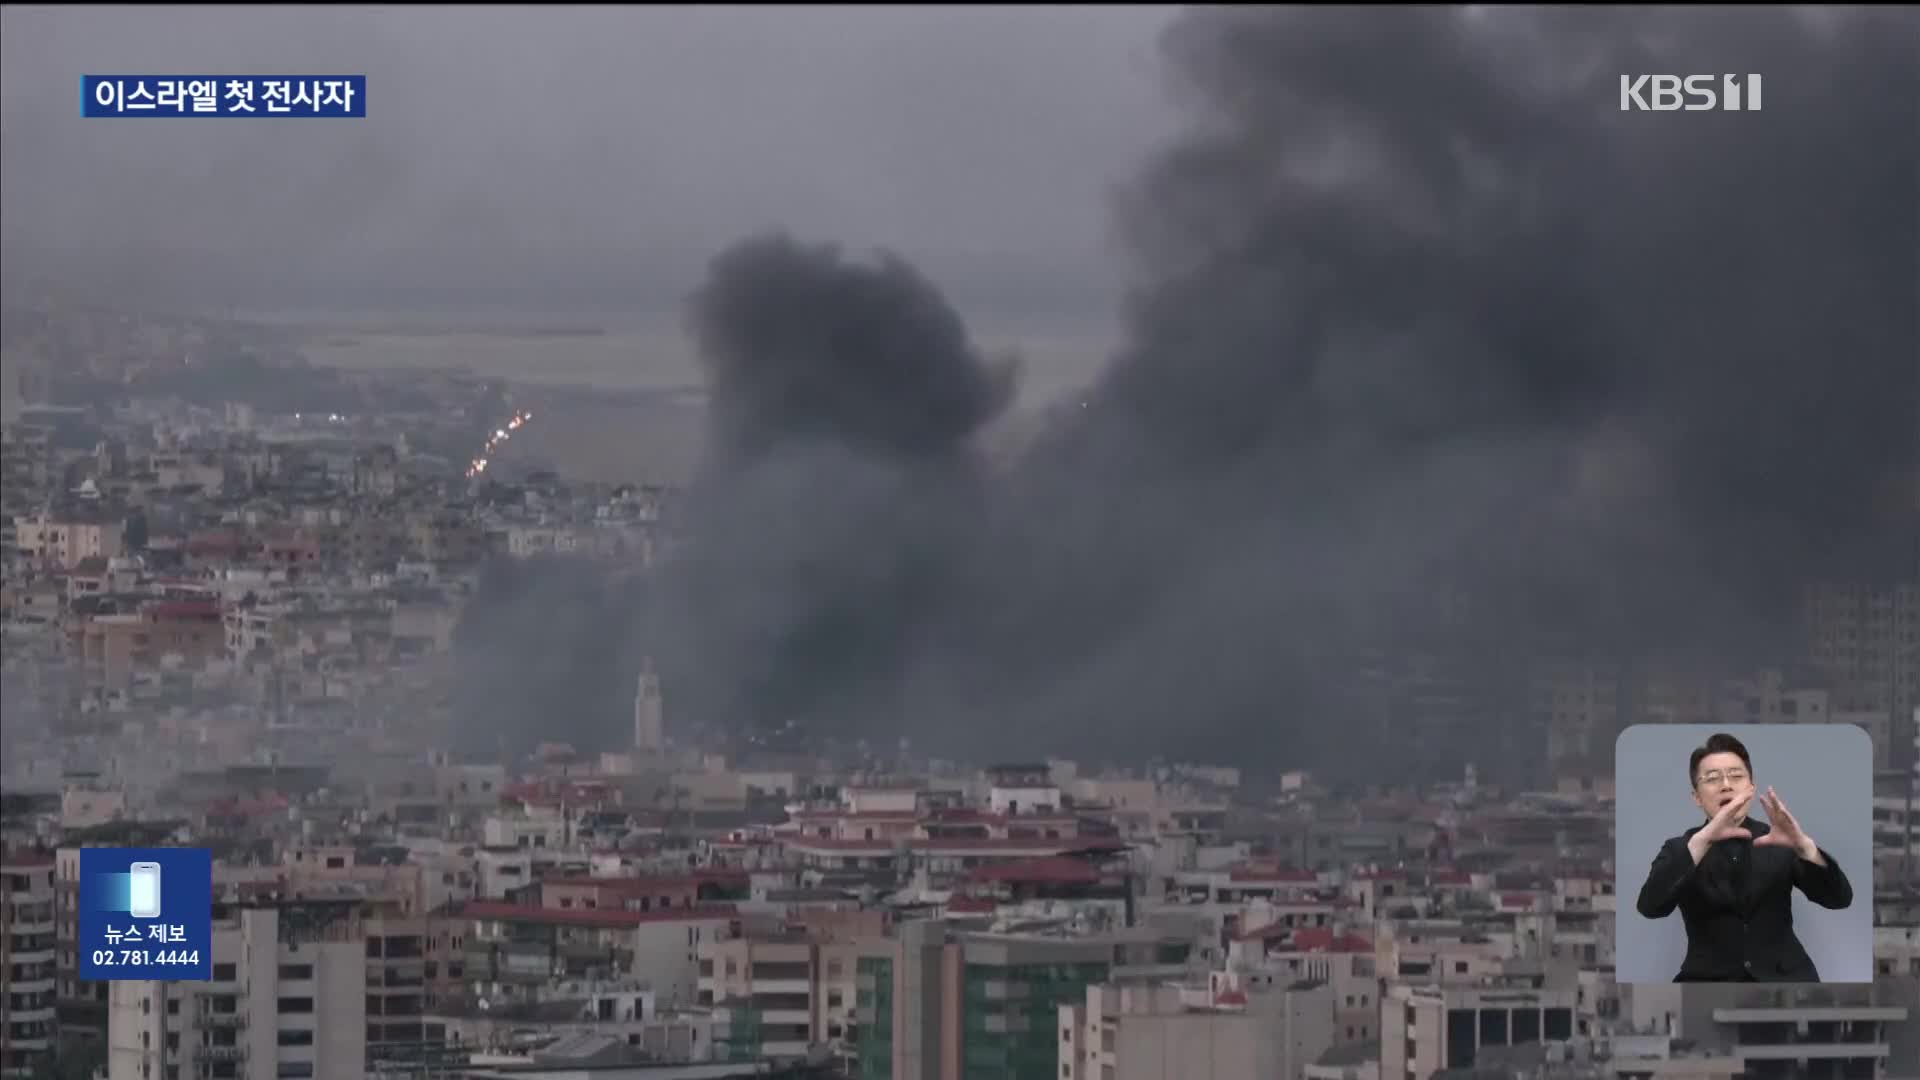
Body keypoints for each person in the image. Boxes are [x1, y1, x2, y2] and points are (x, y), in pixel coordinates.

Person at [1635, 732, 1853, 981]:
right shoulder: (1680, 849)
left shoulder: (1779, 838)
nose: (1726, 785)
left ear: (1751, 787)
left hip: (1787, 983)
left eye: (1736, 776)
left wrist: (1804, 847)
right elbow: (1650, 907)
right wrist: (1702, 841)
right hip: (1708, 985)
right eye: (1712, 778)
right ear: (1696, 797)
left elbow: (1839, 899)